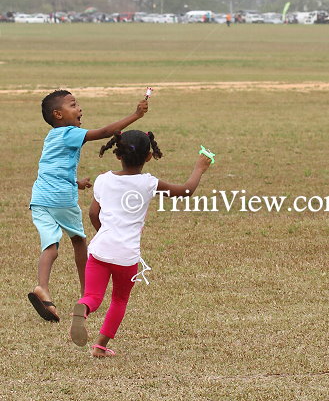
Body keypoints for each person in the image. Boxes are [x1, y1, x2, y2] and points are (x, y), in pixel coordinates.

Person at [69, 130, 213, 357]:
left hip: (100, 250)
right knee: (119, 299)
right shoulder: (148, 183)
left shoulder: (103, 179)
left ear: (118, 154)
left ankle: (84, 308)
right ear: (149, 156)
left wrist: (105, 233)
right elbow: (185, 191)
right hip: (126, 256)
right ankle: (100, 346)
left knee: (93, 296)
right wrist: (199, 168)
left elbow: (93, 213)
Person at [29, 90, 149, 323]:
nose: (79, 109)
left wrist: (76, 182)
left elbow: (52, 169)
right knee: (78, 240)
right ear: (58, 114)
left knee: (50, 246)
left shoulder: (51, 136)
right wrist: (135, 115)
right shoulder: (69, 133)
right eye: (73, 105)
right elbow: (104, 132)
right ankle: (87, 293)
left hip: (40, 197)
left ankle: (42, 287)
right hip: (61, 198)